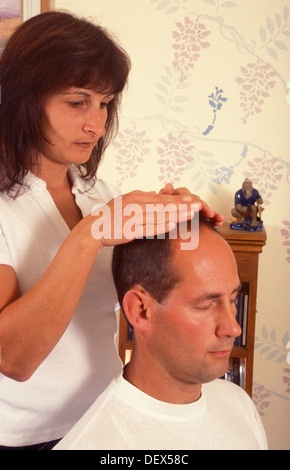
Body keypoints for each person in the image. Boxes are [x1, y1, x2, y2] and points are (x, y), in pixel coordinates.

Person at [0, 11, 224, 450]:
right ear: (23, 99)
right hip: (24, 437)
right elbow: (14, 357)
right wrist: (90, 234)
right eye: (77, 102)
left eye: (105, 103)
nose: (97, 124)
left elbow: (146, 293)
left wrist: (179, 221)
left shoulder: (97, 192)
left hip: (106, 419)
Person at [54, 218, 268, 450]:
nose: (233, 328)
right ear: (141, 311)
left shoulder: (239, 404)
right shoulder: (94, 443)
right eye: (205, 306)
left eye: (233, 300)